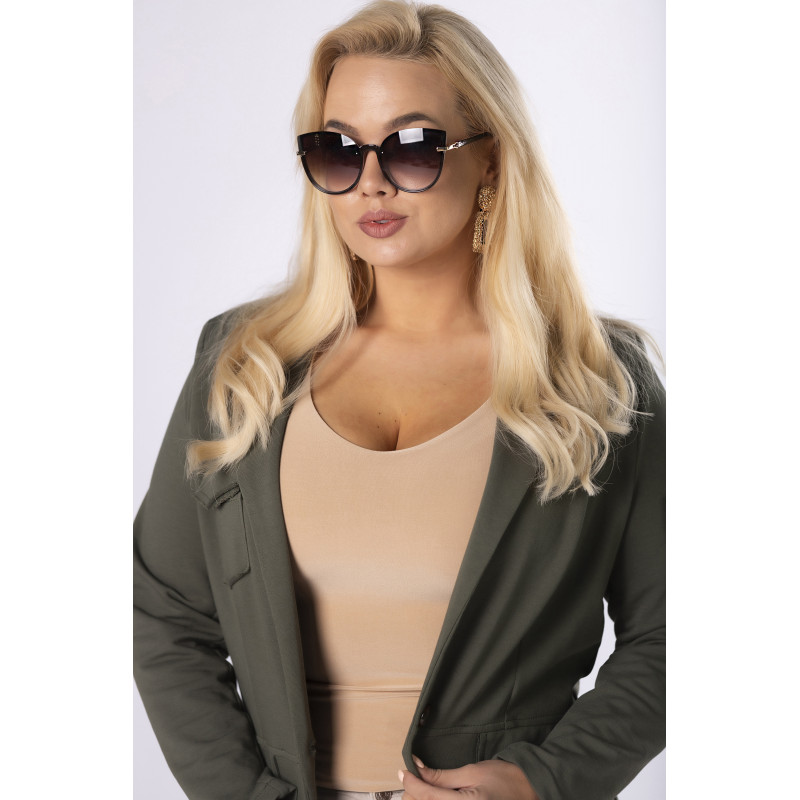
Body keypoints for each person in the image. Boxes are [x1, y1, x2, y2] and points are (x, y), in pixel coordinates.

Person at [133, 2, 665, 799]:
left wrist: (544, 781)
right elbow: (165, 613)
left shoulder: (595, 379)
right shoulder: (245, 364)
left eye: (413, 146)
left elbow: (674, 634)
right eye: (338, 149)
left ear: (492, 159)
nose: (371, 181)